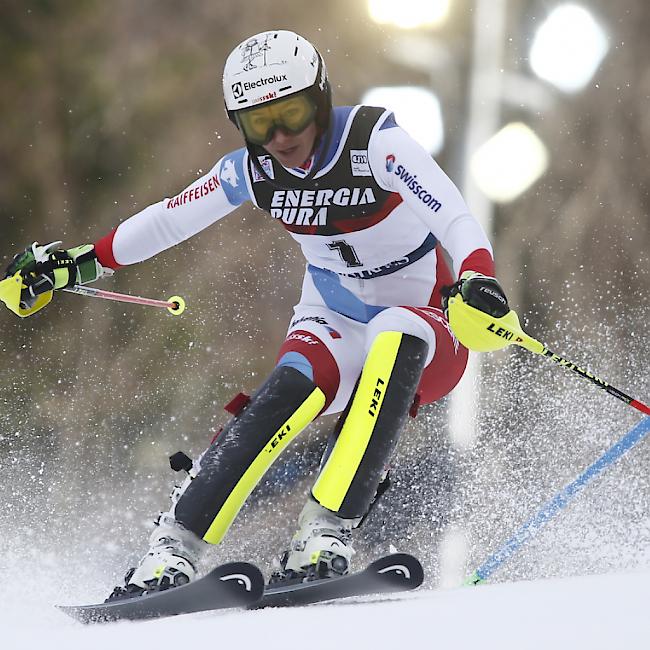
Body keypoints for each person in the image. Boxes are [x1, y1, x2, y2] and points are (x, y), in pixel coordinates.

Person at [5, 30, 508, 597]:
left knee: (395, 330)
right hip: (335, 311)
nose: (281, 137)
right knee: (289, 387)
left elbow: (454, 216)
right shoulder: (252, 169)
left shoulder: (374, 141)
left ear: (320, 99)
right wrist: (80, 263)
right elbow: (170, 218)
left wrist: (478, 275)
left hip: (426, 323)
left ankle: (326, 533)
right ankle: (172, 549)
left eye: (292, 114)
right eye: (259, 123)